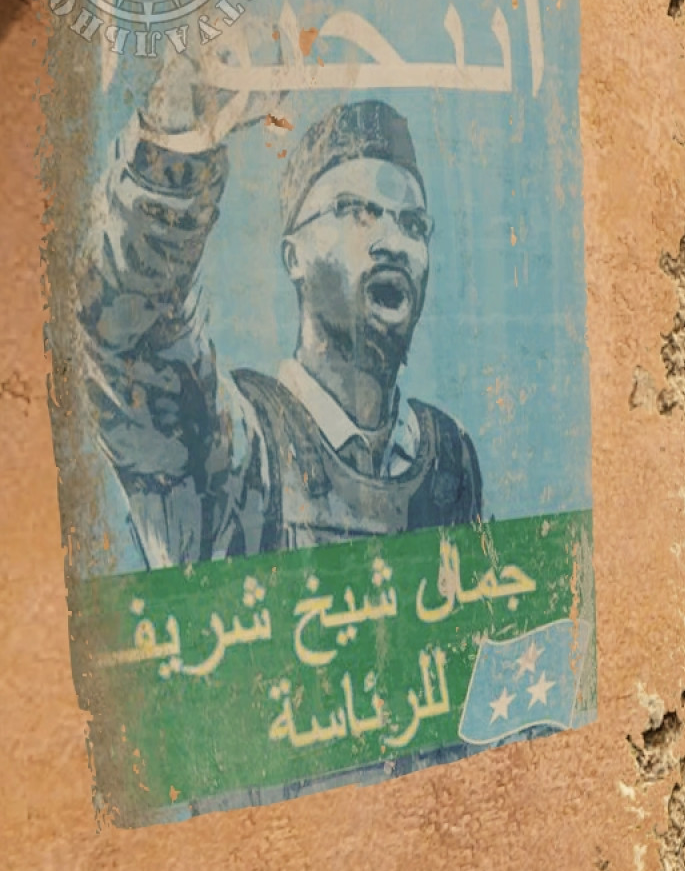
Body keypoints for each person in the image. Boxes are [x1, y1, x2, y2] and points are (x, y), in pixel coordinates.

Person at [78, 48, 484, 569]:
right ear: (294, 256)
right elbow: (129, 337)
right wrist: (173, 148)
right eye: (357, 211)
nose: (393, 242)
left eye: (413, 224)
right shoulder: (236, 454)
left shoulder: (449, 459)